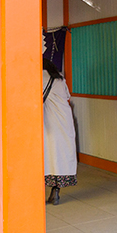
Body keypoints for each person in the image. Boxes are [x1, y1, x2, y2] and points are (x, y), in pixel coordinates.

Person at [42, 57, 78, 204]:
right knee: (61, 155)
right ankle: (55, 191)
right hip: (65, 119)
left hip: (51, 120)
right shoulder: (60, 78)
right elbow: (67, 97)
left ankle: (48, 191)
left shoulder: (41, 77)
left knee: (49, 154)